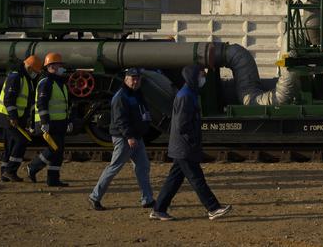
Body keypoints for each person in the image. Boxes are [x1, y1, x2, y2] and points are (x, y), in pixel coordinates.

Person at [151, 65, 231, 221]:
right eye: (201, 75)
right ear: (193, 77)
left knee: (174, 180)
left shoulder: (189, 93)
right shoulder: (186, 96)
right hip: (184, 146)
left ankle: (159, 209)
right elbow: (182, 124)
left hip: (182, 145)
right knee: (197, 179)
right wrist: (192, 141)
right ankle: (213, 208)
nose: (203, 79)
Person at [89, 68, 155, 210]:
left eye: (137, 78)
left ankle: (147, 199)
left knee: (143, 167)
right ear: (126, 79)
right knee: (114, 168)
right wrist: (130, 136)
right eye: (132, 78)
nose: (135, 81)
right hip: (125, 138)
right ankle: (95, 196)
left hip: (135, 136)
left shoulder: (136, 94)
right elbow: (120, 120)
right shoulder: (121, 97)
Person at [28, 52, 71, 187]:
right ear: (51, 66)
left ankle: (53, 179)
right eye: (59, 65)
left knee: (59, 151)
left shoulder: (59, 83)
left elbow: (64, 105)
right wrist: (44, 122)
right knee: (54, 149)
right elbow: (42, 103)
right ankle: (33, 166)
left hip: (60, 123)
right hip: (49, 123)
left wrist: (68, 121)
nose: (62, 68)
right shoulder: (45, 82)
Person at [0, 54, 41, 182]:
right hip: (9, 117)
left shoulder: (25, 78)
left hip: (12, 117)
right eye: (35, 71)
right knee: (21, 141)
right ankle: (10, 171)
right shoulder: (16, 77)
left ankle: (5, 172)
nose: (36, 74)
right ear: (29, 67)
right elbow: (9, 99)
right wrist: (13, 117)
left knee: (10, 145)